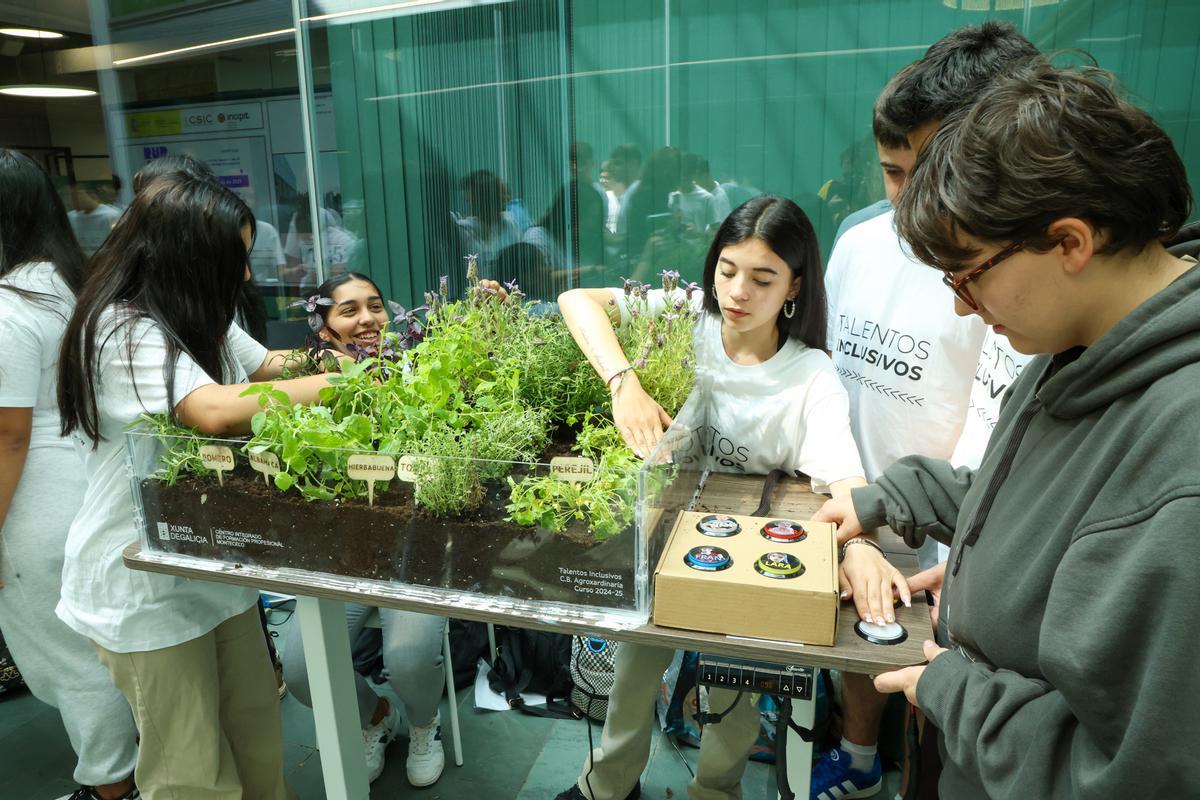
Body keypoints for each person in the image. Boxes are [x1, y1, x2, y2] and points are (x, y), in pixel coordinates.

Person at [818, 63, 1198, 799]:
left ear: (1069, 242)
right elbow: (1038, 496)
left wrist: (955, 690)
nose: (963, 308)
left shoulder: (1181, 460)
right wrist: (906, 505)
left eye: (969, 274)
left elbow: (1134, 773)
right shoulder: (1080, 339)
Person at [553, 195, 906, 800]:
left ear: (794, 286)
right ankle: (607, 787)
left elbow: (844, 479)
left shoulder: (810, 375)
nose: (737, 291)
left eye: (762, 278)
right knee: (634, 667)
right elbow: (575, 300)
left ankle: (716, 791)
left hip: (745, 557)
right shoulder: (687, 319)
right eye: (726, 270)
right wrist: (624, 383)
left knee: (732, 689)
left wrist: (863, 544)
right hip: (663, 534)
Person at [813, 22, 1045, 797]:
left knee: (934, 715)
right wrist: (854, 506)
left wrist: (956, 553)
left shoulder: (1009, 276)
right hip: (856, 502)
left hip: (952, 547)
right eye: (892, 172)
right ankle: (854, 759)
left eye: (934, 172)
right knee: (859, 686)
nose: (911, 200)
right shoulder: (856, 242)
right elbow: (833, 381)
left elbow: (992, 424)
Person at [55, 174, 336, 799]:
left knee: (256, 738)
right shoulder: (122, 330)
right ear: (188, 257)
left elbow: (264, 367)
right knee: (190, 773)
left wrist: (337, 354)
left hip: (211, 565)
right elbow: (210, 409)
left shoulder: (193, 314)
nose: (242, 275)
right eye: (234, 258)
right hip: (142, 580)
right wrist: (347, 387)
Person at [0, 150, 140, 800]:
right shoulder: (74, 283)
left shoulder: (7, 305)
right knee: (99, 652)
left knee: (69, 662)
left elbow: (9, 435)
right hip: (97, 487)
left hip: (34, 507)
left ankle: (112, 787)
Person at [279, 272, 449, 788]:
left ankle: (424, 724)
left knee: (407, 656)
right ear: (325, 327)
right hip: (341, 555)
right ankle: (374, 716)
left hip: (412, 552)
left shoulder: (423, 366)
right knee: (301, 668)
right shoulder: (307, 387)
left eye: (375, 306)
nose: (368, 318)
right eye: (348, 310)